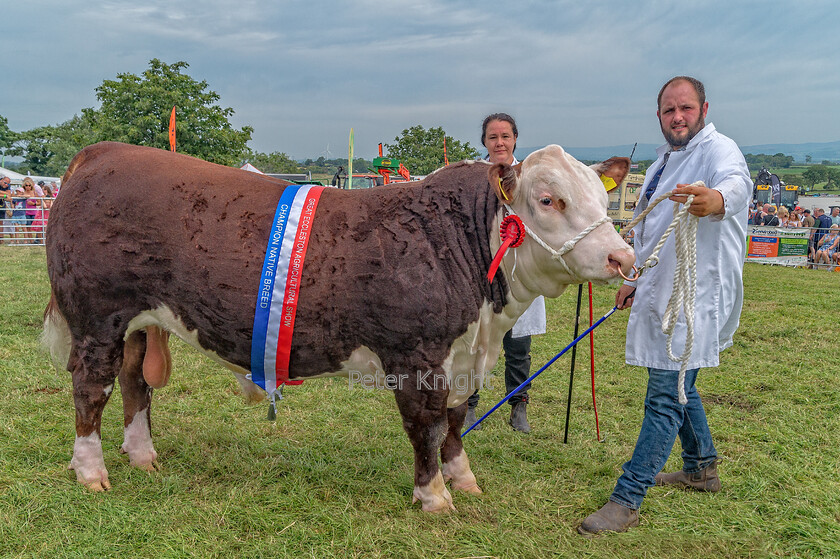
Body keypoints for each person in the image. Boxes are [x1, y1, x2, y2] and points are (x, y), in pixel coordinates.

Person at [579, 76, 751, 535]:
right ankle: (700, 468)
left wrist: (715, 200)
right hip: (661, 287)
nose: (677, 117)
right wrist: (636, 279)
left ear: (704, 109)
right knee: (680, 382)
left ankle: (627, 497)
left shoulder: (720, 152)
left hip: (697, 295)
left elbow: (736, 187)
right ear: (659, 115)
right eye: (669, 110)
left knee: (665, 394)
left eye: (686, 109)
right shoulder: (662, 162)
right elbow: (655, 235)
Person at [464, 112, 546, 433]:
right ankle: (469, 404)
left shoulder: (533, 176)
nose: (499, 142)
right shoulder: (472, 175)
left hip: (521, 271)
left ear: (515, 139)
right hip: (481, 270)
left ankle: (518, 406)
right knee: (475, 341)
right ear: (484, 141)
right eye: (493, 137)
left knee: (518, 344)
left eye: (505, 136)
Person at [0, 175, 12, 244]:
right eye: (5, 183)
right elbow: (7, 195)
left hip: (2, 205)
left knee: (1, 222)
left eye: (8, 184)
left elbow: (9, 195)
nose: (6, 185)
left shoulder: (8, 186)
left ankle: (1, 239)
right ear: (1, 180)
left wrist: (4, 194)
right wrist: (5, 195)